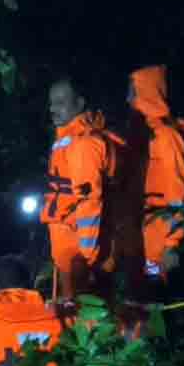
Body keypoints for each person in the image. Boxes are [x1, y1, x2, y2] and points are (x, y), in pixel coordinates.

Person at [40, 77, 122, 302]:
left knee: (87, 318)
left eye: (61, 102)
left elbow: (90, 201)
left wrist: (87, 256)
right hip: (71, 251)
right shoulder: (68, 140)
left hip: (82, 255)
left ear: (80, 103)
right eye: (51, 103)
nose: (53, 109)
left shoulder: (84, 144)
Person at [127, 65, 184, 285]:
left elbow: (179, 193)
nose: (128, 99)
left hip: (160, 245)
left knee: (155, 302)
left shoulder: (167, 136)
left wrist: (172, 244)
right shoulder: (143, 136)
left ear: (147, 94)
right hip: (143, 239)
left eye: (133, 92)